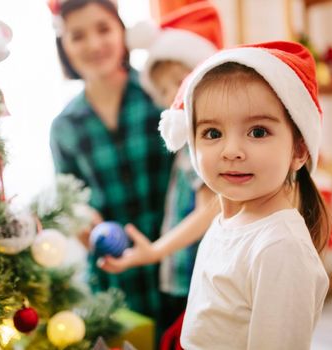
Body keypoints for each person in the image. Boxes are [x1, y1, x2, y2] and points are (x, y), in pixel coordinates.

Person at [158, 41, 331, 349]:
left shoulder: (280, 247)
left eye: (258, 132)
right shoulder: (227, 222)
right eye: (212, 133)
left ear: (299, 149)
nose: (232, 151)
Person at [98, 2, 223, 332]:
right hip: (183, 276)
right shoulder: (189, 144)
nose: (174, 96)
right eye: (166, 90)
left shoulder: (204, 146)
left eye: (181, 82)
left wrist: (156, 250)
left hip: (197, 277)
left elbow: (208, 210)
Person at [49, 0, 173, 323]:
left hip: (178, 262)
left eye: (103, 29)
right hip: (113, 280)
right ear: (64, 45)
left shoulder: (160, 95)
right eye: (78, 35)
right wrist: (80, 218)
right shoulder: (64, 126)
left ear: (123, 32)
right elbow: (70, 202)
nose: (93, 44)